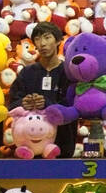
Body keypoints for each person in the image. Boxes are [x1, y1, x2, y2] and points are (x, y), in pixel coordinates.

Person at [6, 21, 77, 157]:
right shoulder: (27, 73)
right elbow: (12, 104)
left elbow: (72, 107)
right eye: (37, 39)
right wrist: (23, 104)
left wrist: (47, 105)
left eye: (47, 37)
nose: (42, 43)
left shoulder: (69, 73)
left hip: (62, 145)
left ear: (57, 41)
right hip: (30, 146)